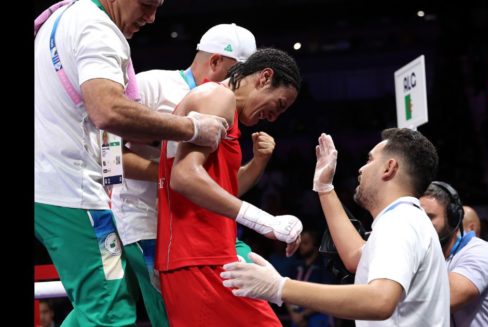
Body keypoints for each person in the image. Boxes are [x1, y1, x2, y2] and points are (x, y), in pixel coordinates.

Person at [34, 0, 228, 325]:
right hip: (74, 194)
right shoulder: (97, 28)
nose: (151, 18)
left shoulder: (65, 16)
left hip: (66, 190)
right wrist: (191, 128)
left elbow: (107, 141)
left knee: (107, 301)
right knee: (109, 310)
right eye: (146, 5)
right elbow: (107, 110)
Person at [110, 23, 260, 326]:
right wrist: (169, 174)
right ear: (216, 61)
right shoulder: (152, 85)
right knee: (174, 317)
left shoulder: (227, 105)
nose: (244, 84)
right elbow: (109, 159)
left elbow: (223, 188)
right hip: (149, 225)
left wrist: (260, 160)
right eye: (239, 73)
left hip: (204, 232)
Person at [222, 129, 450, 326]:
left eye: (370, 160)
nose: (361, 168)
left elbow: (380, 300)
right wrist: (324, 187)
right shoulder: (408, 219)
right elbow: (356, 257)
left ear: (389, 168)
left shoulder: (401, 222)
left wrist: (280, 287)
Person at [156, 47, 304, 326]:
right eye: (280, 104)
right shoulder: (217, 96)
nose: (274, 117)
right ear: (264, 77)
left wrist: (258, 162)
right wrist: (264, 221)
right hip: (197, 256)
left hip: (209, 254)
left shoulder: (224, 107)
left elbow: (219, 192)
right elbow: (184, 177)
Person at [420, 181, 488, 327]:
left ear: (453, 219)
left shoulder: (481, 253)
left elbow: (444, 299)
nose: (422, 225)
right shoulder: (433, 255)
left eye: (430, 217)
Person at [286, 230, 333, 327]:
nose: (301, 247)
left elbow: (327, 296)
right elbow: (285, 287)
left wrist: (303, 315)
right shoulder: (295, 265)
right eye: (300, 243)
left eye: (305, 243)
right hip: (296, 315)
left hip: (318, 316)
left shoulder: (323, 267)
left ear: (315, 245)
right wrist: (294, 314)